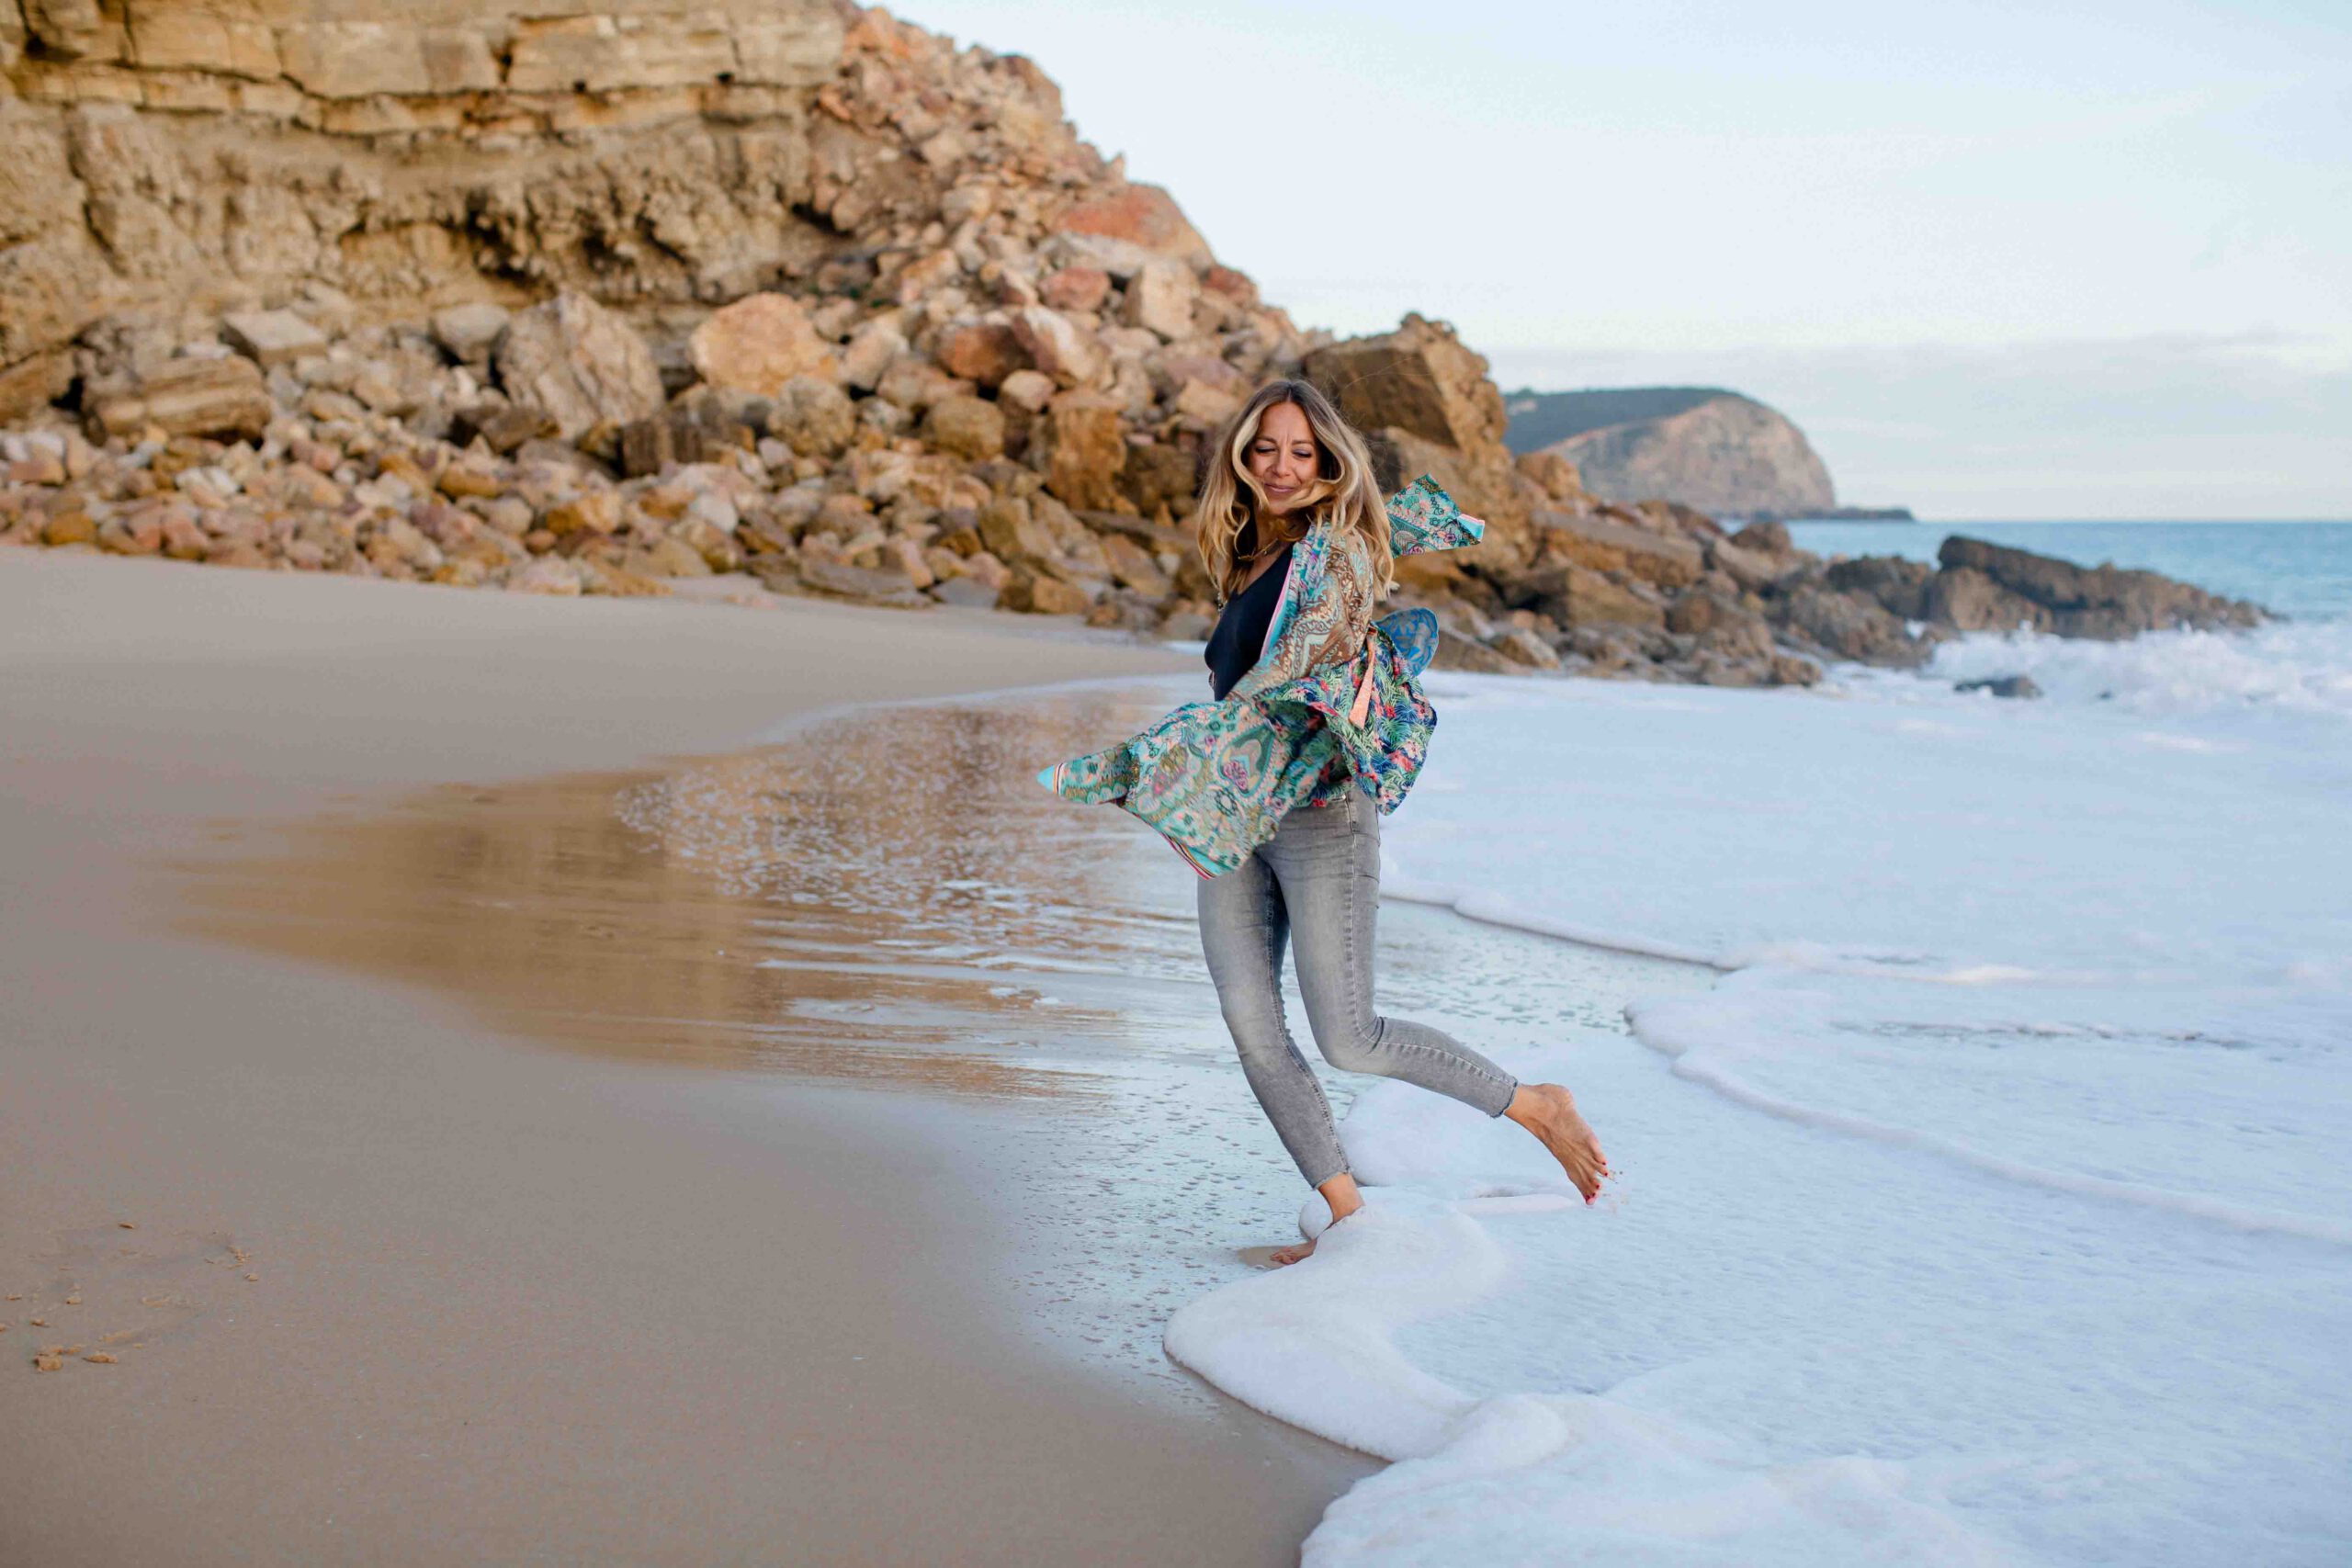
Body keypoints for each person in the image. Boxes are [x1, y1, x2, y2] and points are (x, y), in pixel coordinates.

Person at [1039, 379, 1608, 1265]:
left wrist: (1167, 766)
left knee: (1349, 1035)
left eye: (1302, 452)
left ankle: (1533, 1102)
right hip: (1238, 816)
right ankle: (1349, 1218)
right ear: (1242, 455)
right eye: (1266, 448)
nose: (1281, 466)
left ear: (1329, 462)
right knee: (1251, 1022)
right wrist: (1201, 792)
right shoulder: (1247, 556)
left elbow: (1297, 669)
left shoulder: (1336, 553)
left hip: (1319, 815)